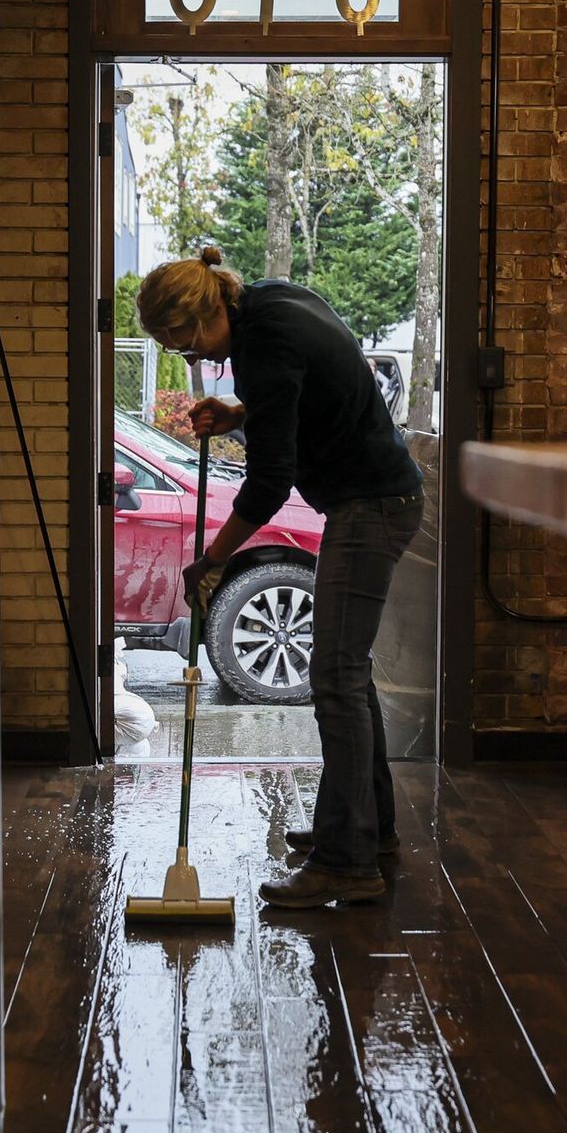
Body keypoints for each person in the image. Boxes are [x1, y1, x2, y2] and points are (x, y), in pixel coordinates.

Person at [136, 245, 424, 908]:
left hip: (369, 504)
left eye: (183, 346)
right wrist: (244, 415)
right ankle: (366, 830)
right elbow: (312, 391)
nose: (195, 361)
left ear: (194, 323)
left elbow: (266, 485)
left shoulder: (260, 348)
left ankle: (347, 861)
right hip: (379, 497)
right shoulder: (268, 302)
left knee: (334, 678)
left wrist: (211, 560)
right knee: (348, 673)